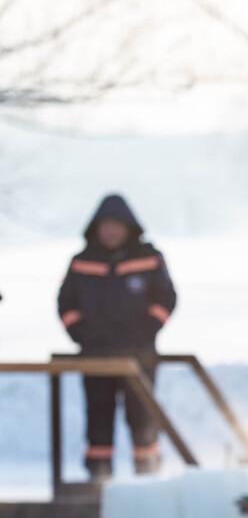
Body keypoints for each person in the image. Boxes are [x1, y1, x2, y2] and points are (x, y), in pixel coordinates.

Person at [56, 193, 177, 480]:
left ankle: (148, 476)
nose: (110, 232)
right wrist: (81, 334)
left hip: (139, 355)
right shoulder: (82, 261)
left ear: (128, 227)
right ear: (96, 228)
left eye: (115, 226)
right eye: (105, 226)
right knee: (98, 416)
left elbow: (166, 298)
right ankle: (99, 478)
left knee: (141, 415)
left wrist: (146, 330)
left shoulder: (148, 258)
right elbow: (65, 304)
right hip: (95, 356)